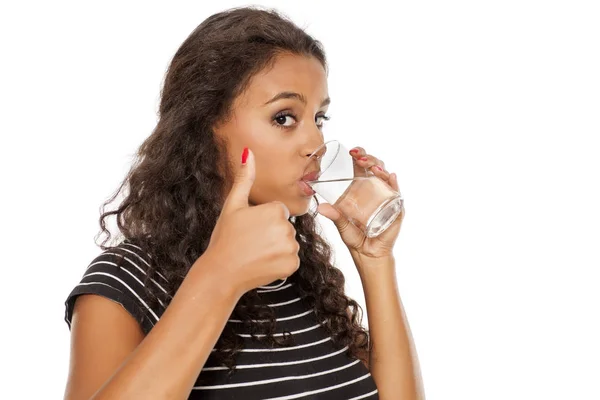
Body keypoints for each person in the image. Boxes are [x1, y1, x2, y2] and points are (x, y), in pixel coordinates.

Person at [63, 6, 423, 400]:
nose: (315, 144)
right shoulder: (125, 282)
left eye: (318, 118)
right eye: (284, 117)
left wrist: (376, 262)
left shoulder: (304, 280)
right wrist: (220, 275)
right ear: (203, 126)